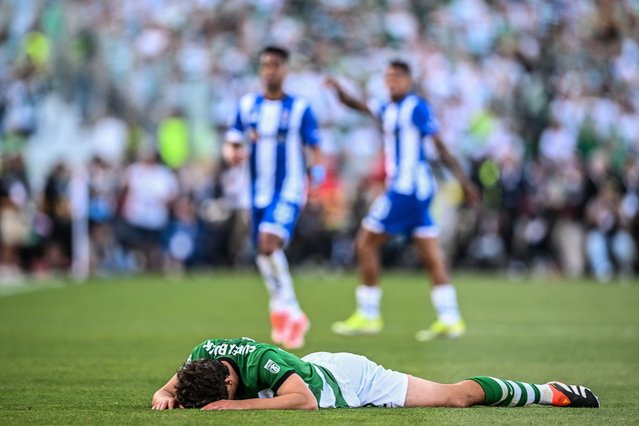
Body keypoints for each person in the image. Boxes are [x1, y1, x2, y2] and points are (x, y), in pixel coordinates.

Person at [326, 60, 481, 341]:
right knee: (430, 253)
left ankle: (368, 314)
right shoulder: (388, 108)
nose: (392, 81)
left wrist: (462, 179)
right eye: (388, 76)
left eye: (397, 76)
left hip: (407, 189)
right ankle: (450, 318)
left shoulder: (416, 107)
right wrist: (338, 89)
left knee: (364, 243)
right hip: (415, 192)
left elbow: (439, 144)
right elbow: (358, 105)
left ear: (409, 80)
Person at [151, 337, 600, 410]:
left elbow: (304, 401)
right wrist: (163, 395)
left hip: (348, 379)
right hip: (314, 364)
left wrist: (233, 406)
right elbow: (168, 385)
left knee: (455, 397)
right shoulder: (201, 358)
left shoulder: (263, 362)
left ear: (229, 382)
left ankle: (547, 392)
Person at [222, 46, 324, 350]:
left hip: (289, 188)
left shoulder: (300, 108)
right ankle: (281, 310)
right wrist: (232, 154)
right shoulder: (247, 105)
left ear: (285, 70)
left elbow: (315, 148)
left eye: (276, 65)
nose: (270, 70)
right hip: (256, 192)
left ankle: (289, 308)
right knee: (263, 253)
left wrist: (316, 182)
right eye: (265, 65)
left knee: (268, 242)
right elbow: (231, 141)